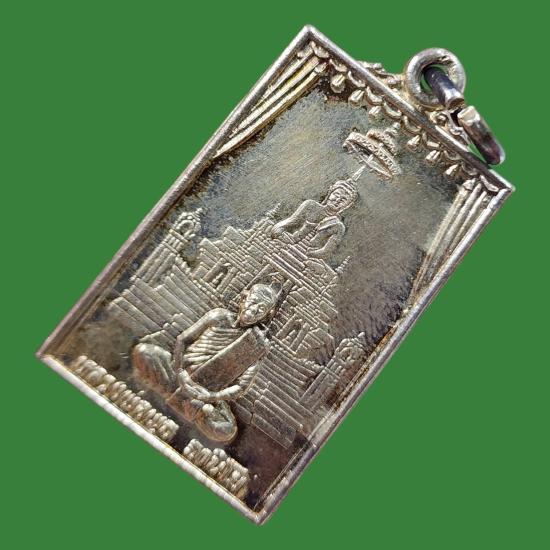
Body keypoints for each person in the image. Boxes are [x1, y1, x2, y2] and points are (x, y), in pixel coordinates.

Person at [132, 284, 278, 443]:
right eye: (253, 302)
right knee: (143, 352)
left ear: (267, 315)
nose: (254, 309)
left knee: (226, 430)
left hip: (205, 395)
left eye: (261, 309)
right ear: (244, 298)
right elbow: (183, 339)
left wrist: (212, 396)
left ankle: (178, 397)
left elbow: (241, 387)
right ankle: (185, 403)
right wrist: (180, 370)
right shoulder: (218, 316)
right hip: (178, 373)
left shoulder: (258, 345)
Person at [270, 179, 357, 258]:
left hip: (307, 256)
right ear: (330, 193)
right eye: (336, 195)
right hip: (290, 241)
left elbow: (325, 253)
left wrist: (308, 254)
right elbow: (285, 224)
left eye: (343, 200)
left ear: (347, 205)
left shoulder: (338, 226)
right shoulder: (310, 205)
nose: (337, 200)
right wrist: (280, 234)